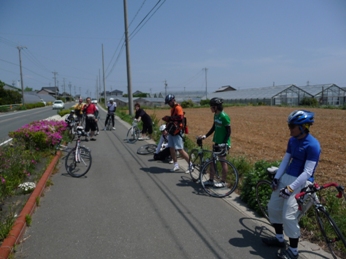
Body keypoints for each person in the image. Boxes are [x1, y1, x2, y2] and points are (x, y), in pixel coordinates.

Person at [262, 110, 321, 259]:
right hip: (286, 176)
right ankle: (279, 239)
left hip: (301, 182)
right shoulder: (292, 140)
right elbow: (285, 160)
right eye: (289, 125)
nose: (289, 129)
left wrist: (290, 188)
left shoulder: (313, 145)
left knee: (289, 217)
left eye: (292, 126)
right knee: (273, 208)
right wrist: (277, 178)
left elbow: (307, 172)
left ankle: (293, 251)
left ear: (303, 127)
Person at [197, 97, 231, 187]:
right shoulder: (216, 115)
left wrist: (224, 142)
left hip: (223, 143)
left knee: (223, 162)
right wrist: (205, 136)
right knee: (212, 161)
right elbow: (213, 128)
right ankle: (211, 180)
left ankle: (223, 182)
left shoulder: (224, 116)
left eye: (211, 107)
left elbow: (229, 131)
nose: (210, 108)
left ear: (216, 107)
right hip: (217, 142)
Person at [162, 94, 192, 172]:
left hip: (178, 131)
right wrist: (167, 129)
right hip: (172, 131)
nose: (168, 104)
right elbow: (172, 121)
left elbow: (180, 117)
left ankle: (190, 165)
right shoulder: (172, 109)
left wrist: (169, 118)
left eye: (169, 102)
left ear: (172, 100)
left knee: (180, 149)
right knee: (171, 148)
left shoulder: (178, 108)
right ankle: (176, 165)